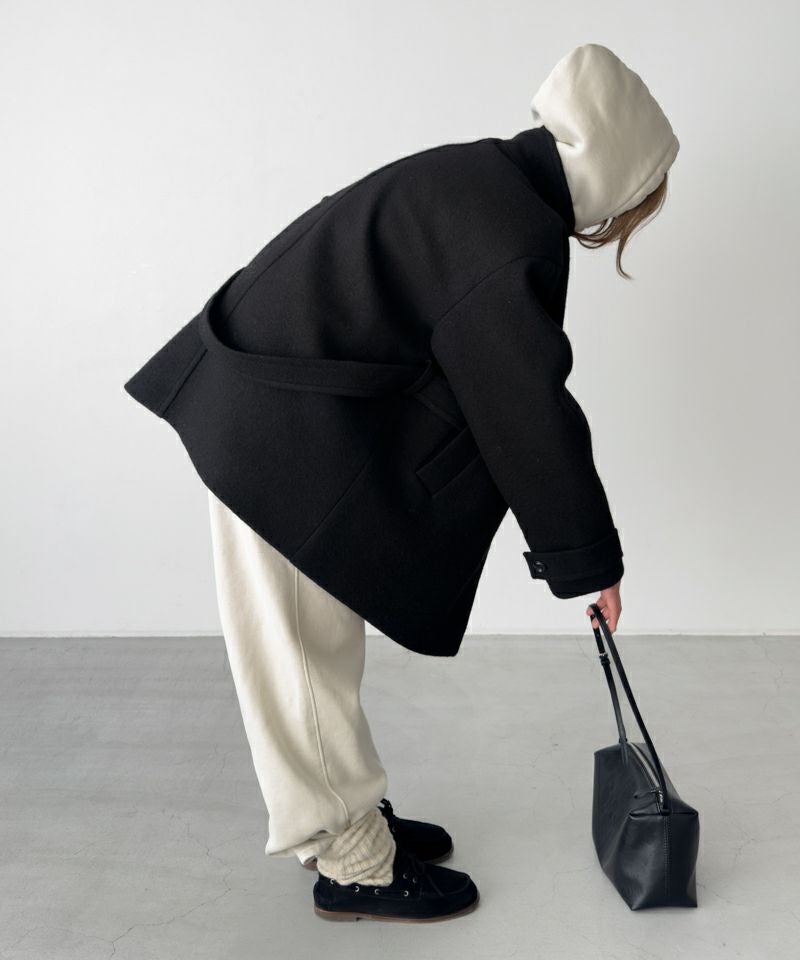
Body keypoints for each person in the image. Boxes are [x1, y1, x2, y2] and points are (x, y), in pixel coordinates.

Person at [124, 42, 679, 923]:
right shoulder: (508, 231)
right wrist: (589, 564)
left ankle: (349, 809)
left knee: (318, 643)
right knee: (301, 655)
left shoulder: (484, 179)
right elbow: (524, 406)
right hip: (275, 426)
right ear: (613, 172)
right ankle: (353, 862)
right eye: (638, 200)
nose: (624, 222)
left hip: (278, 406)